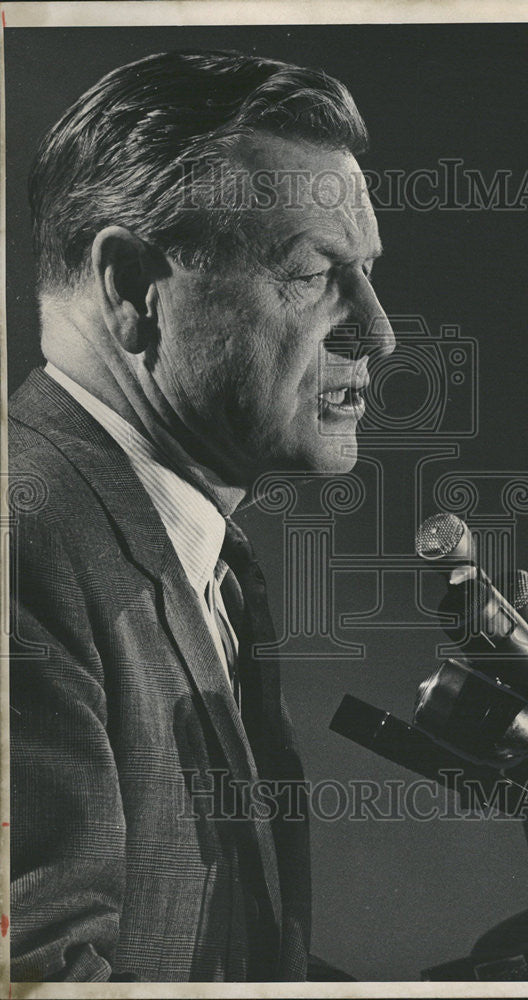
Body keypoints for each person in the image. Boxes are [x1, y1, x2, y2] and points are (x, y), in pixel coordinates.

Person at [8, 49, 395, 982]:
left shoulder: (186, 544)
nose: (377, 332)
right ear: (134, 288)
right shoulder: (25, 545)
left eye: (369, 273)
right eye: (312, 274)